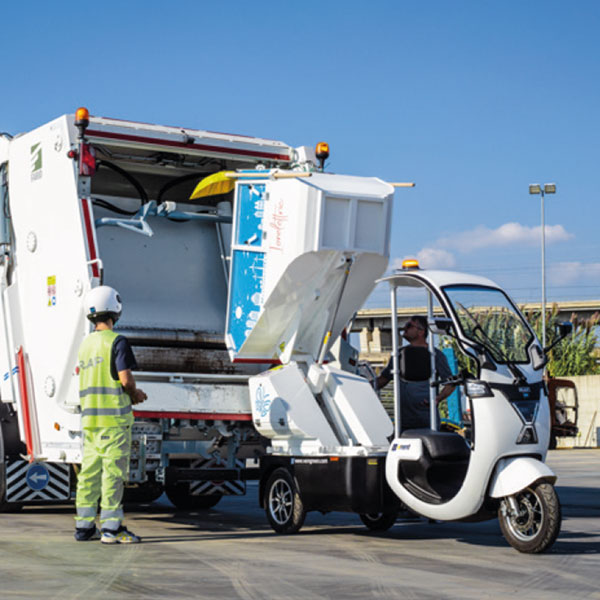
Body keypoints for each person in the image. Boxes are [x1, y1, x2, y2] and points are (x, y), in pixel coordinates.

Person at [74, 285, 147, 544]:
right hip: (114, 423)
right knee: (113, 476)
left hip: (90, 423)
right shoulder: (117, 342)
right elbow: (125, 379)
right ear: (115, 310)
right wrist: (136, 394)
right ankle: (111, 529)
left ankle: (84, 527)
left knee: (89, 476)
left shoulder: (85, 346)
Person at [376, 315, 455, 430]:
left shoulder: (435, 355)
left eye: (409, 326)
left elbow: (451, 383)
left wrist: (437, 399)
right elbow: (384, 379)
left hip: (427, 420)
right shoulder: (399, 354)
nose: (405, 328)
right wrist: (363, 386)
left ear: (421, 332)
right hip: (403, 421)